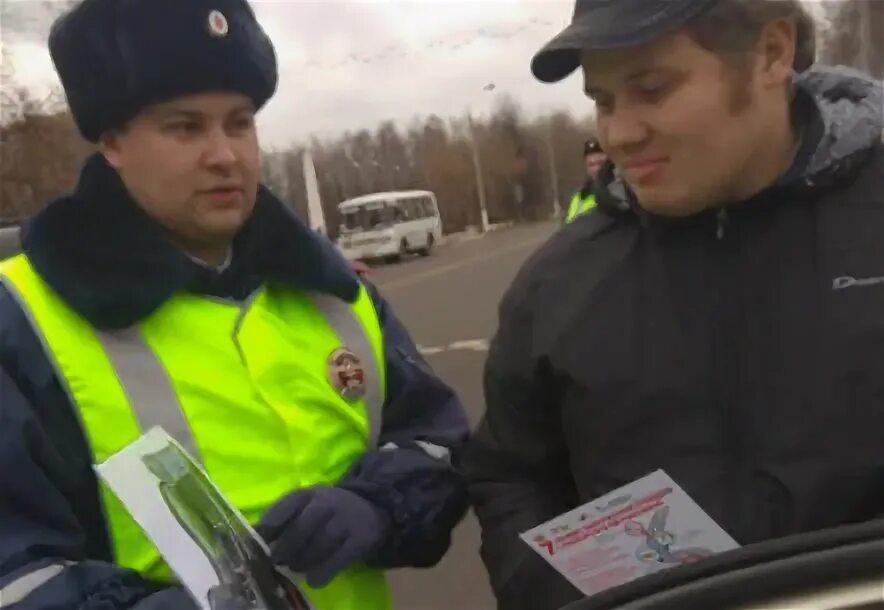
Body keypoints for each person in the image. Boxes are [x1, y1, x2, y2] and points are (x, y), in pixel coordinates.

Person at [0, 1, 469, 609]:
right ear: (112, 142)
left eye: (240, 122)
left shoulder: (336, 294)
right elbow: (18, 567)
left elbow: (436, 440)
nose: (225, 155)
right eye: (185, 127)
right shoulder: (23, 320)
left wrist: (378, 505)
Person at [464, 0, 884, 609]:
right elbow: (510, 477)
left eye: (653, 89)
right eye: (603, 101)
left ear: (772, 53)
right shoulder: (554, 286)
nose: (619, 133)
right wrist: (558, 595)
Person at [563, 137, 607, 224]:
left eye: (601, 163)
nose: (596, 169)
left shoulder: (622, 194)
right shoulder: (577, 197)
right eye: (591, 164)